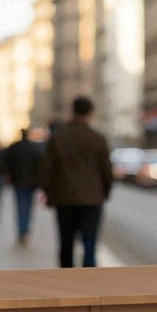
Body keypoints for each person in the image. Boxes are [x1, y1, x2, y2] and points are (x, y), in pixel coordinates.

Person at [40, 95, 111, 268]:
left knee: (66, 245)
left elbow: (47, 169)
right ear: (90, 113)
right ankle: (88, 284)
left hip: (64, 199)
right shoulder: (98, 139)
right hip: (92, 200)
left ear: (72, 111)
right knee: (89, 245)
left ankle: (68, 285)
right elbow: (107, 172)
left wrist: (48, 193)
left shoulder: (58, 138)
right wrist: (104, 193)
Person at [4, 127, 43, 246]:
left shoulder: (14, 148)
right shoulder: (33, 149)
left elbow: (7, 162)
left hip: (19, 182)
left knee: (21, 208)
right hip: (30, 183)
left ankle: (22, 232)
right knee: (28, 208)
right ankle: (25, 232)